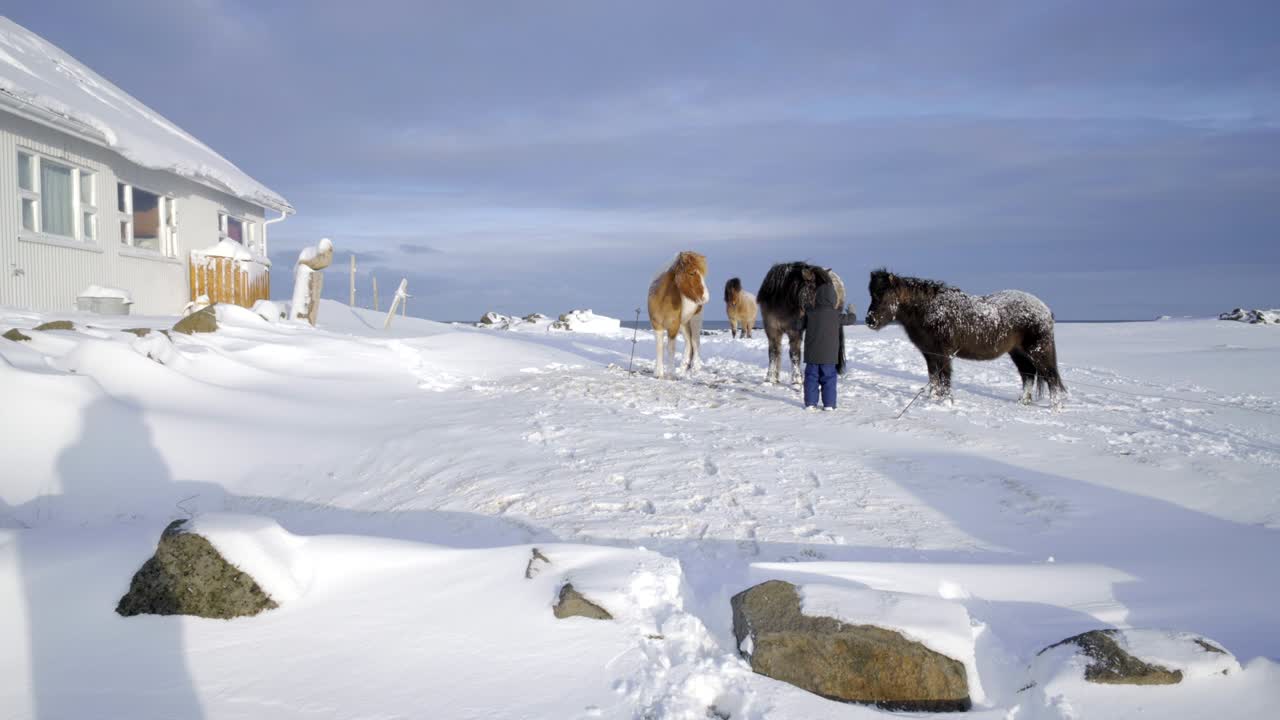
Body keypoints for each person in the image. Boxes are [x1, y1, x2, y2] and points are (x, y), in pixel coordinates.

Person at [797, 283, 857, 410]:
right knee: (829, 380)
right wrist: (851, 311)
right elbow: (851, 320)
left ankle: (810, 404)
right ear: (833, 299)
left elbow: (797, 325)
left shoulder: (810, 313)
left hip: (812, 356)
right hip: (829, 357)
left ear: (817, 298)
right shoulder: (836, 315)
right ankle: (829, 405)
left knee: (811, 379)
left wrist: (803, 310)